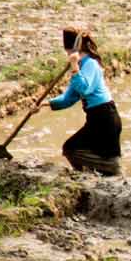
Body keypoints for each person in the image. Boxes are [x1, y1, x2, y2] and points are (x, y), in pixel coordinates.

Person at [49, 29, 121, 176]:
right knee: (74, 149)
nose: (68, 56)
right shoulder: (80, 67)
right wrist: (44, 104)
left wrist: (75, 66)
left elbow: (85, 89)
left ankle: (96, 173)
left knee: (72, 149)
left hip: (105, 117)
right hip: (97, 118)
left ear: (71, 50)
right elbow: (68, 99)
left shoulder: (90, 65)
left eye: (68, 52)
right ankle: (95, 174)